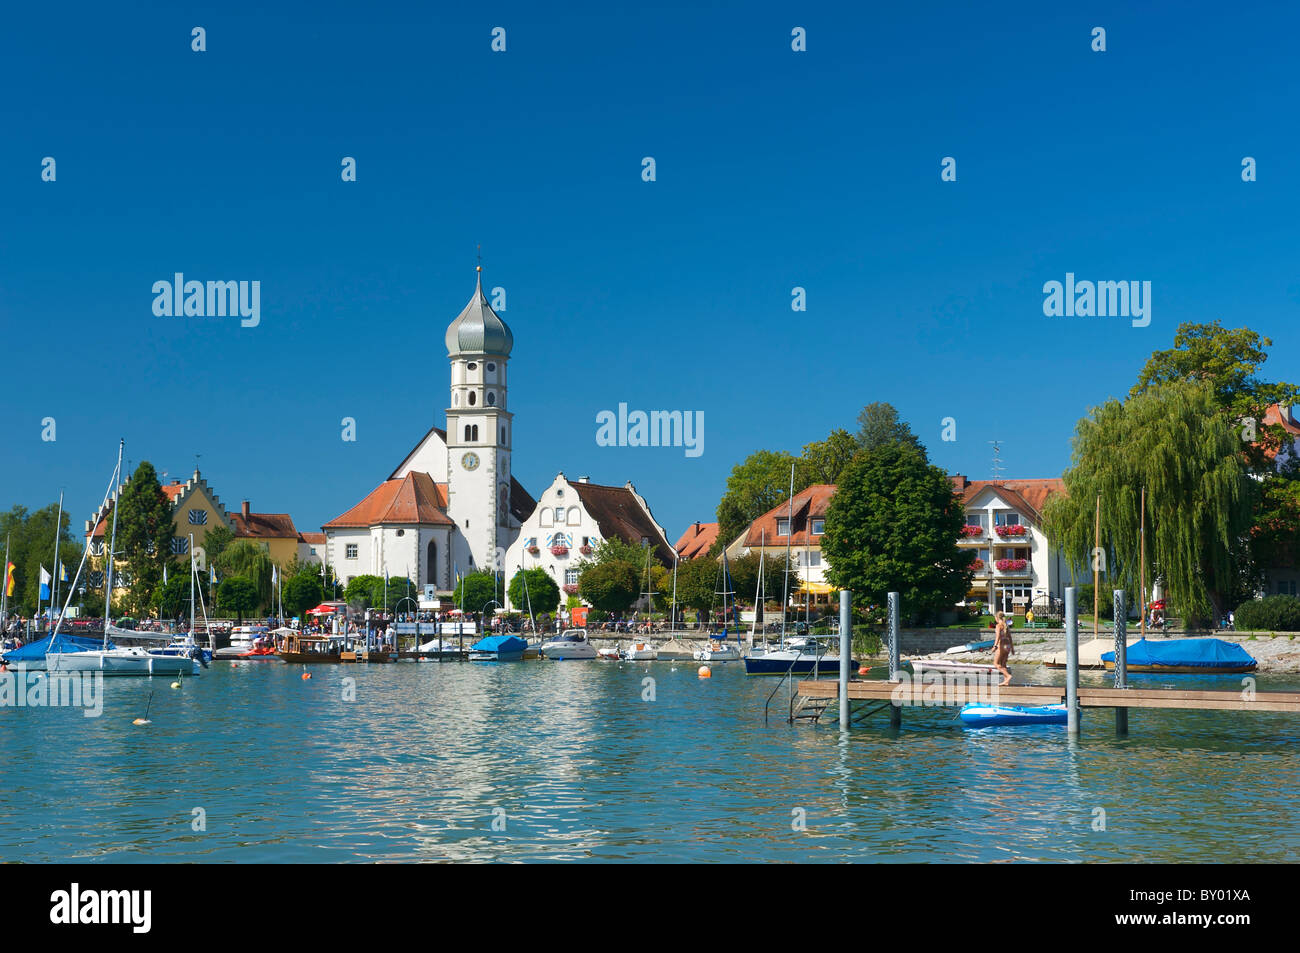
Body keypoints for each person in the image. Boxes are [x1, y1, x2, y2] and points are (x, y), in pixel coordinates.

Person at [992, 610, 1013, 687]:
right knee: (1003, 664)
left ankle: (1008, 676)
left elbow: (997, 637)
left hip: (1001, 646)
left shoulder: (998, 626)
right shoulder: (1006, 626)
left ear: (997, 618)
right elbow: (1010, 637)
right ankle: (1006, 681)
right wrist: (1012, 648)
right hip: (1007, 646)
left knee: (995, 663)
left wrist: (995, 646)